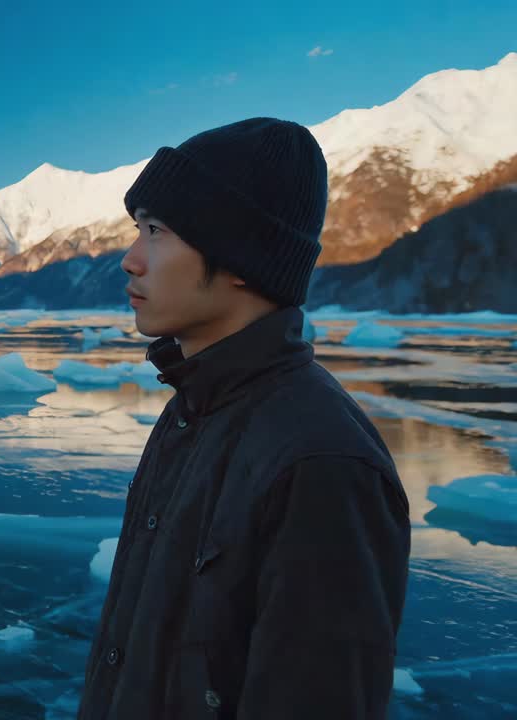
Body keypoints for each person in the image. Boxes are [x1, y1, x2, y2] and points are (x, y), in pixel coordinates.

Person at [77, 117, 411, 719]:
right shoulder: (192, 411)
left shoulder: (321, 464)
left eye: (155, 231)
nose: (129, 260)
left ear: (239, 257)